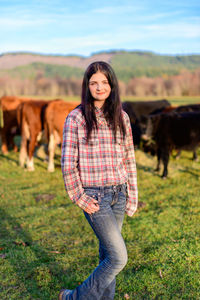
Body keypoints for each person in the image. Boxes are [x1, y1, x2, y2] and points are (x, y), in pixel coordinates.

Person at [59, 61, 138, 300]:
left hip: (119, 192)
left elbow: (129, 158)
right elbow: (67, 163)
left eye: (104, 82)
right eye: (94, 83)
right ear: (87, 86)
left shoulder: (121, 117)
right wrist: (79, 197)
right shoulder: (76, 118)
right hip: (94, 197)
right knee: (118, 257)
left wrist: (132, 194)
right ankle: (75, 297)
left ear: (112, 85)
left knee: (108, 256)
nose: (99, 87)